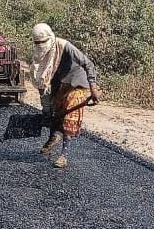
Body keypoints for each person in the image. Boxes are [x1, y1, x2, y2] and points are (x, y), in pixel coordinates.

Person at [29, 23, 102, 169]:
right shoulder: (38, 54)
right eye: (37, 43)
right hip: (60, 83)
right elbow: (41, 80)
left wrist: (93, 87)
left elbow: (88, 64)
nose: (40, 45)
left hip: (77, 82)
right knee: (56, 114)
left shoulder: (64, 46)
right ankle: (53, 137)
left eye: (43, 42)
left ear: (50, 37)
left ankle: (63, 156)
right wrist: (46, 108)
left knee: (70, 117)